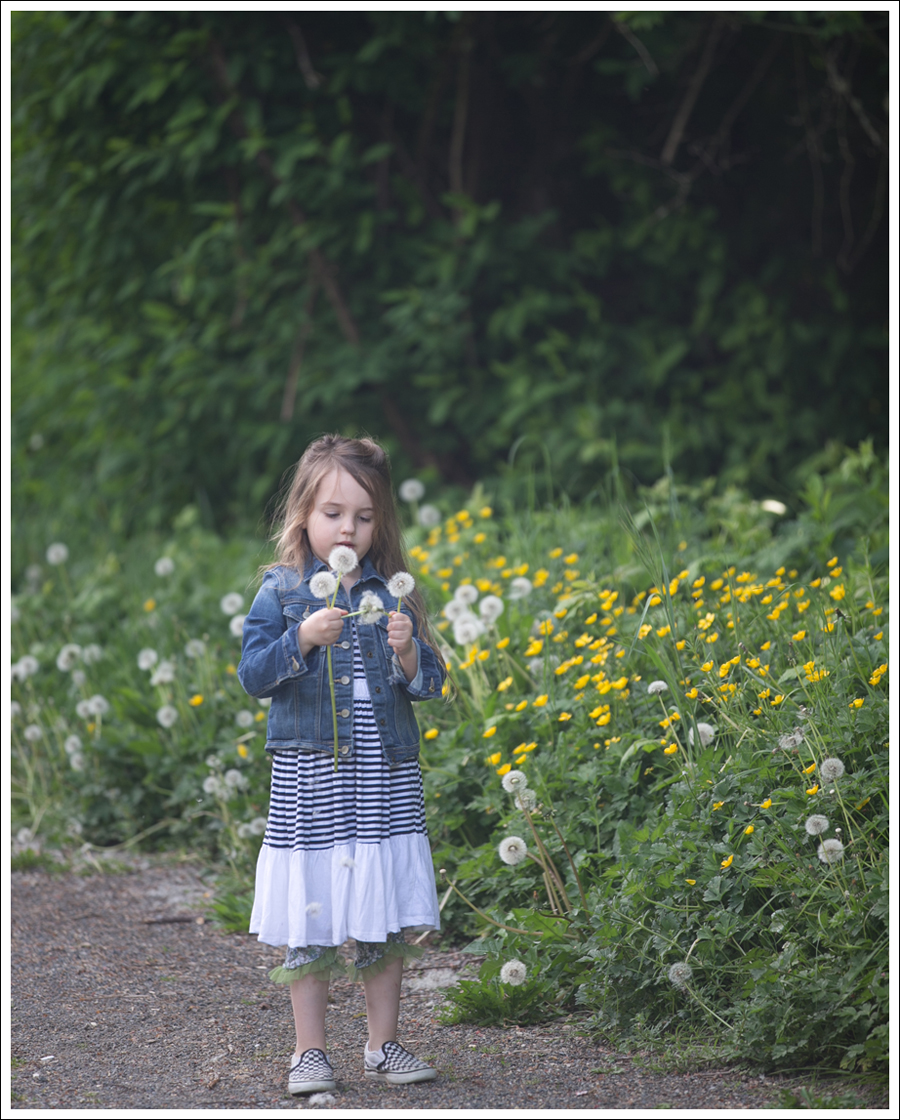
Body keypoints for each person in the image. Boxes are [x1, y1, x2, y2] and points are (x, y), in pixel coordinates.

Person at [238, 435, 445, 1096]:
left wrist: (408, 652)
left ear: (380, 522)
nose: (347, 529)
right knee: (313, 911)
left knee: (381, 912)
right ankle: (309, 1052)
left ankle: (383, 1045)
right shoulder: (283, 590)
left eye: (362, 516)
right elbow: (253, 674)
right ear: (303, 514)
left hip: (382, 776)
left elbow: (431, 683)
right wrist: (301, 638)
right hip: (312, 776)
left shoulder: (394, 593)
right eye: (332, 513)